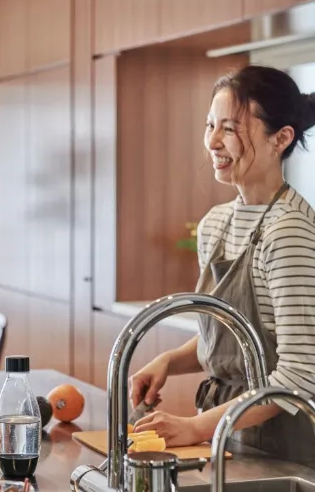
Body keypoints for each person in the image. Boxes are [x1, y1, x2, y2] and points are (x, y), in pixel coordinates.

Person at [131, 64, 315, 467]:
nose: (213, 141)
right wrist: (170, 361)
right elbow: (238, 336)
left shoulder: (290, 232)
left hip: (283, 441)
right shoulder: (217, 222)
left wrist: (197, 428)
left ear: (281, 138)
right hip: (228, 429)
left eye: (230, 129)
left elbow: (299, 374)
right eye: (210, 125)